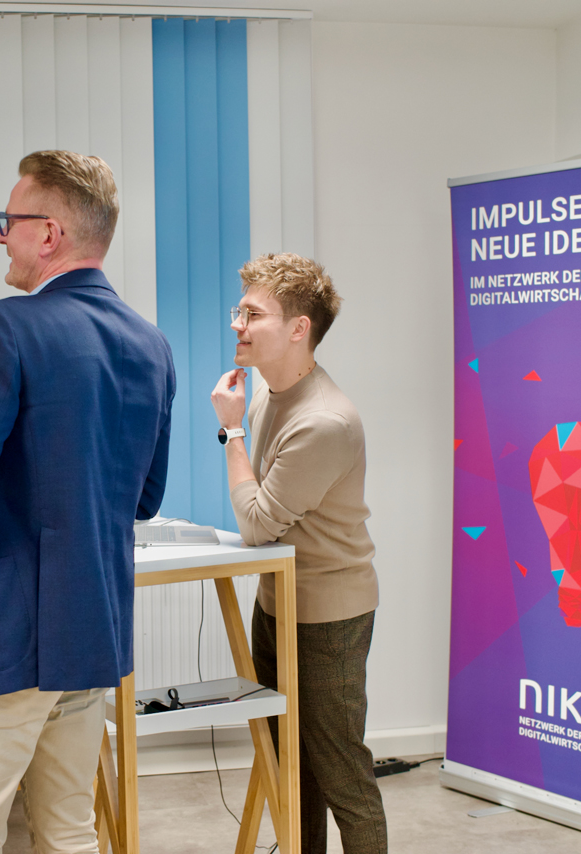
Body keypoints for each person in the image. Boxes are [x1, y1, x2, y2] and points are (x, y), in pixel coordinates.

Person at [0, 150, 175, 854]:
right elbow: (144, 498)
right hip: (90, 635)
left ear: (49, 233)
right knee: (69, 832)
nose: (2, 236)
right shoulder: (150, 344)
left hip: (1, 640)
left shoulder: (3, 327)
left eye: (10, 221)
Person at [210, 253, 387, 854]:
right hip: (278, 602)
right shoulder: (268, 395)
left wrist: (231, 431)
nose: (237, 324)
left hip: (329, 616)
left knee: (342, 775)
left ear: (298, 328)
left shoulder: (324, 420)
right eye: (239, 311)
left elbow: (258, 523)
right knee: (291, 764)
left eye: (252, 314)